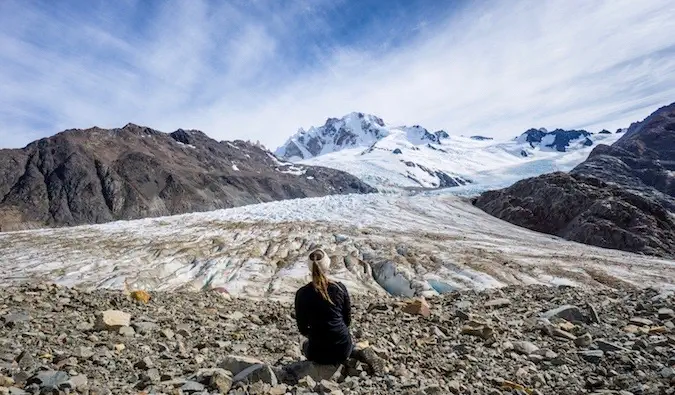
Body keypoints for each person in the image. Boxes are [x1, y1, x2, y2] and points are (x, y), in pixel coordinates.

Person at [294, 248, 353, 365]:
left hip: (317, 353)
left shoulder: (302, 293)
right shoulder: (340, 288)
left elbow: (302, 328)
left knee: (304, 343)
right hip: (342, 349)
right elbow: (347, 320)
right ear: (327, 265)